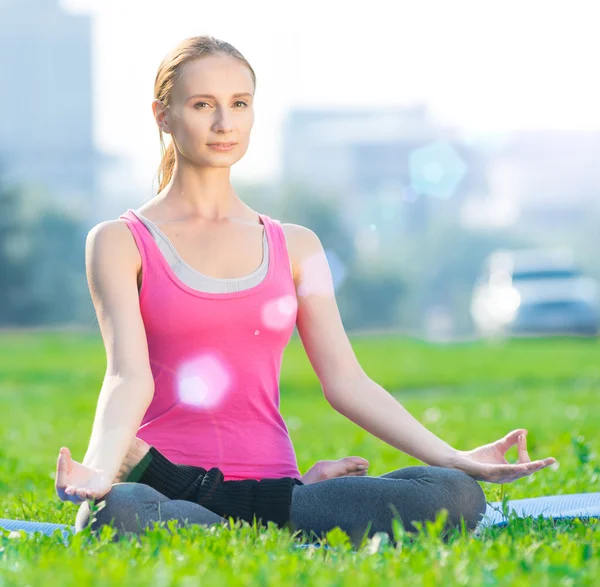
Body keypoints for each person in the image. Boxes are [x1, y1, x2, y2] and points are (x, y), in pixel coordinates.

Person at [55, 35, 556, 547]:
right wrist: (99, 469)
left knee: (455, 493)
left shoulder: (298, 246)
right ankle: (267, 520)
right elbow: (126, 377)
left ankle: (245, 515)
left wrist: (454, 457)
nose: (225, 123)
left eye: (239, 104)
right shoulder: (119, 241)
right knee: (118, 512)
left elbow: (346, 381)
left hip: (277, 489)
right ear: (163, 115)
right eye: (203, 105)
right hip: (167, 492)